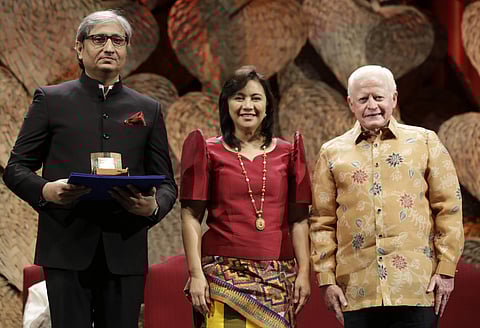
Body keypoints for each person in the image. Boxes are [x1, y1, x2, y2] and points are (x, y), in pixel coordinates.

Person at [3, 10, 177, 328]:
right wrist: (46, 190)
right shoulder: (51, 100)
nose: (109, 47)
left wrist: (154, 207)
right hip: (66, 247)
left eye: (118, 40)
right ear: (80, 49)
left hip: (124, 250)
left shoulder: (148, 108)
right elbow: (15, 169)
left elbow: (167, 184)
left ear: (126, 49)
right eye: (99, 39)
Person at [310, 65, 465, 328]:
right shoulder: (331, 152)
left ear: (393, 98)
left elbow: (449, 208)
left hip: (417, 288)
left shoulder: (424, 141)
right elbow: (321, 220)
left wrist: (446, 270)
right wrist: (326, 280)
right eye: (363, 99)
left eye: (378, 97)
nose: (372, 105)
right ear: (351, 103)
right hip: (357, 292)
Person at [180, 66, 312, 328]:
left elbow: (299, 220)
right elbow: (191, 216)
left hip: (277, 278)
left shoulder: (289, 152)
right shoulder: (207, 149)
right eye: (239, 98)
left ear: (267, 105)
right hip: (223, 277)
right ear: (226, 104)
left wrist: (304, 273)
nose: (247, 106)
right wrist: (195, 274)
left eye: (255, 98)